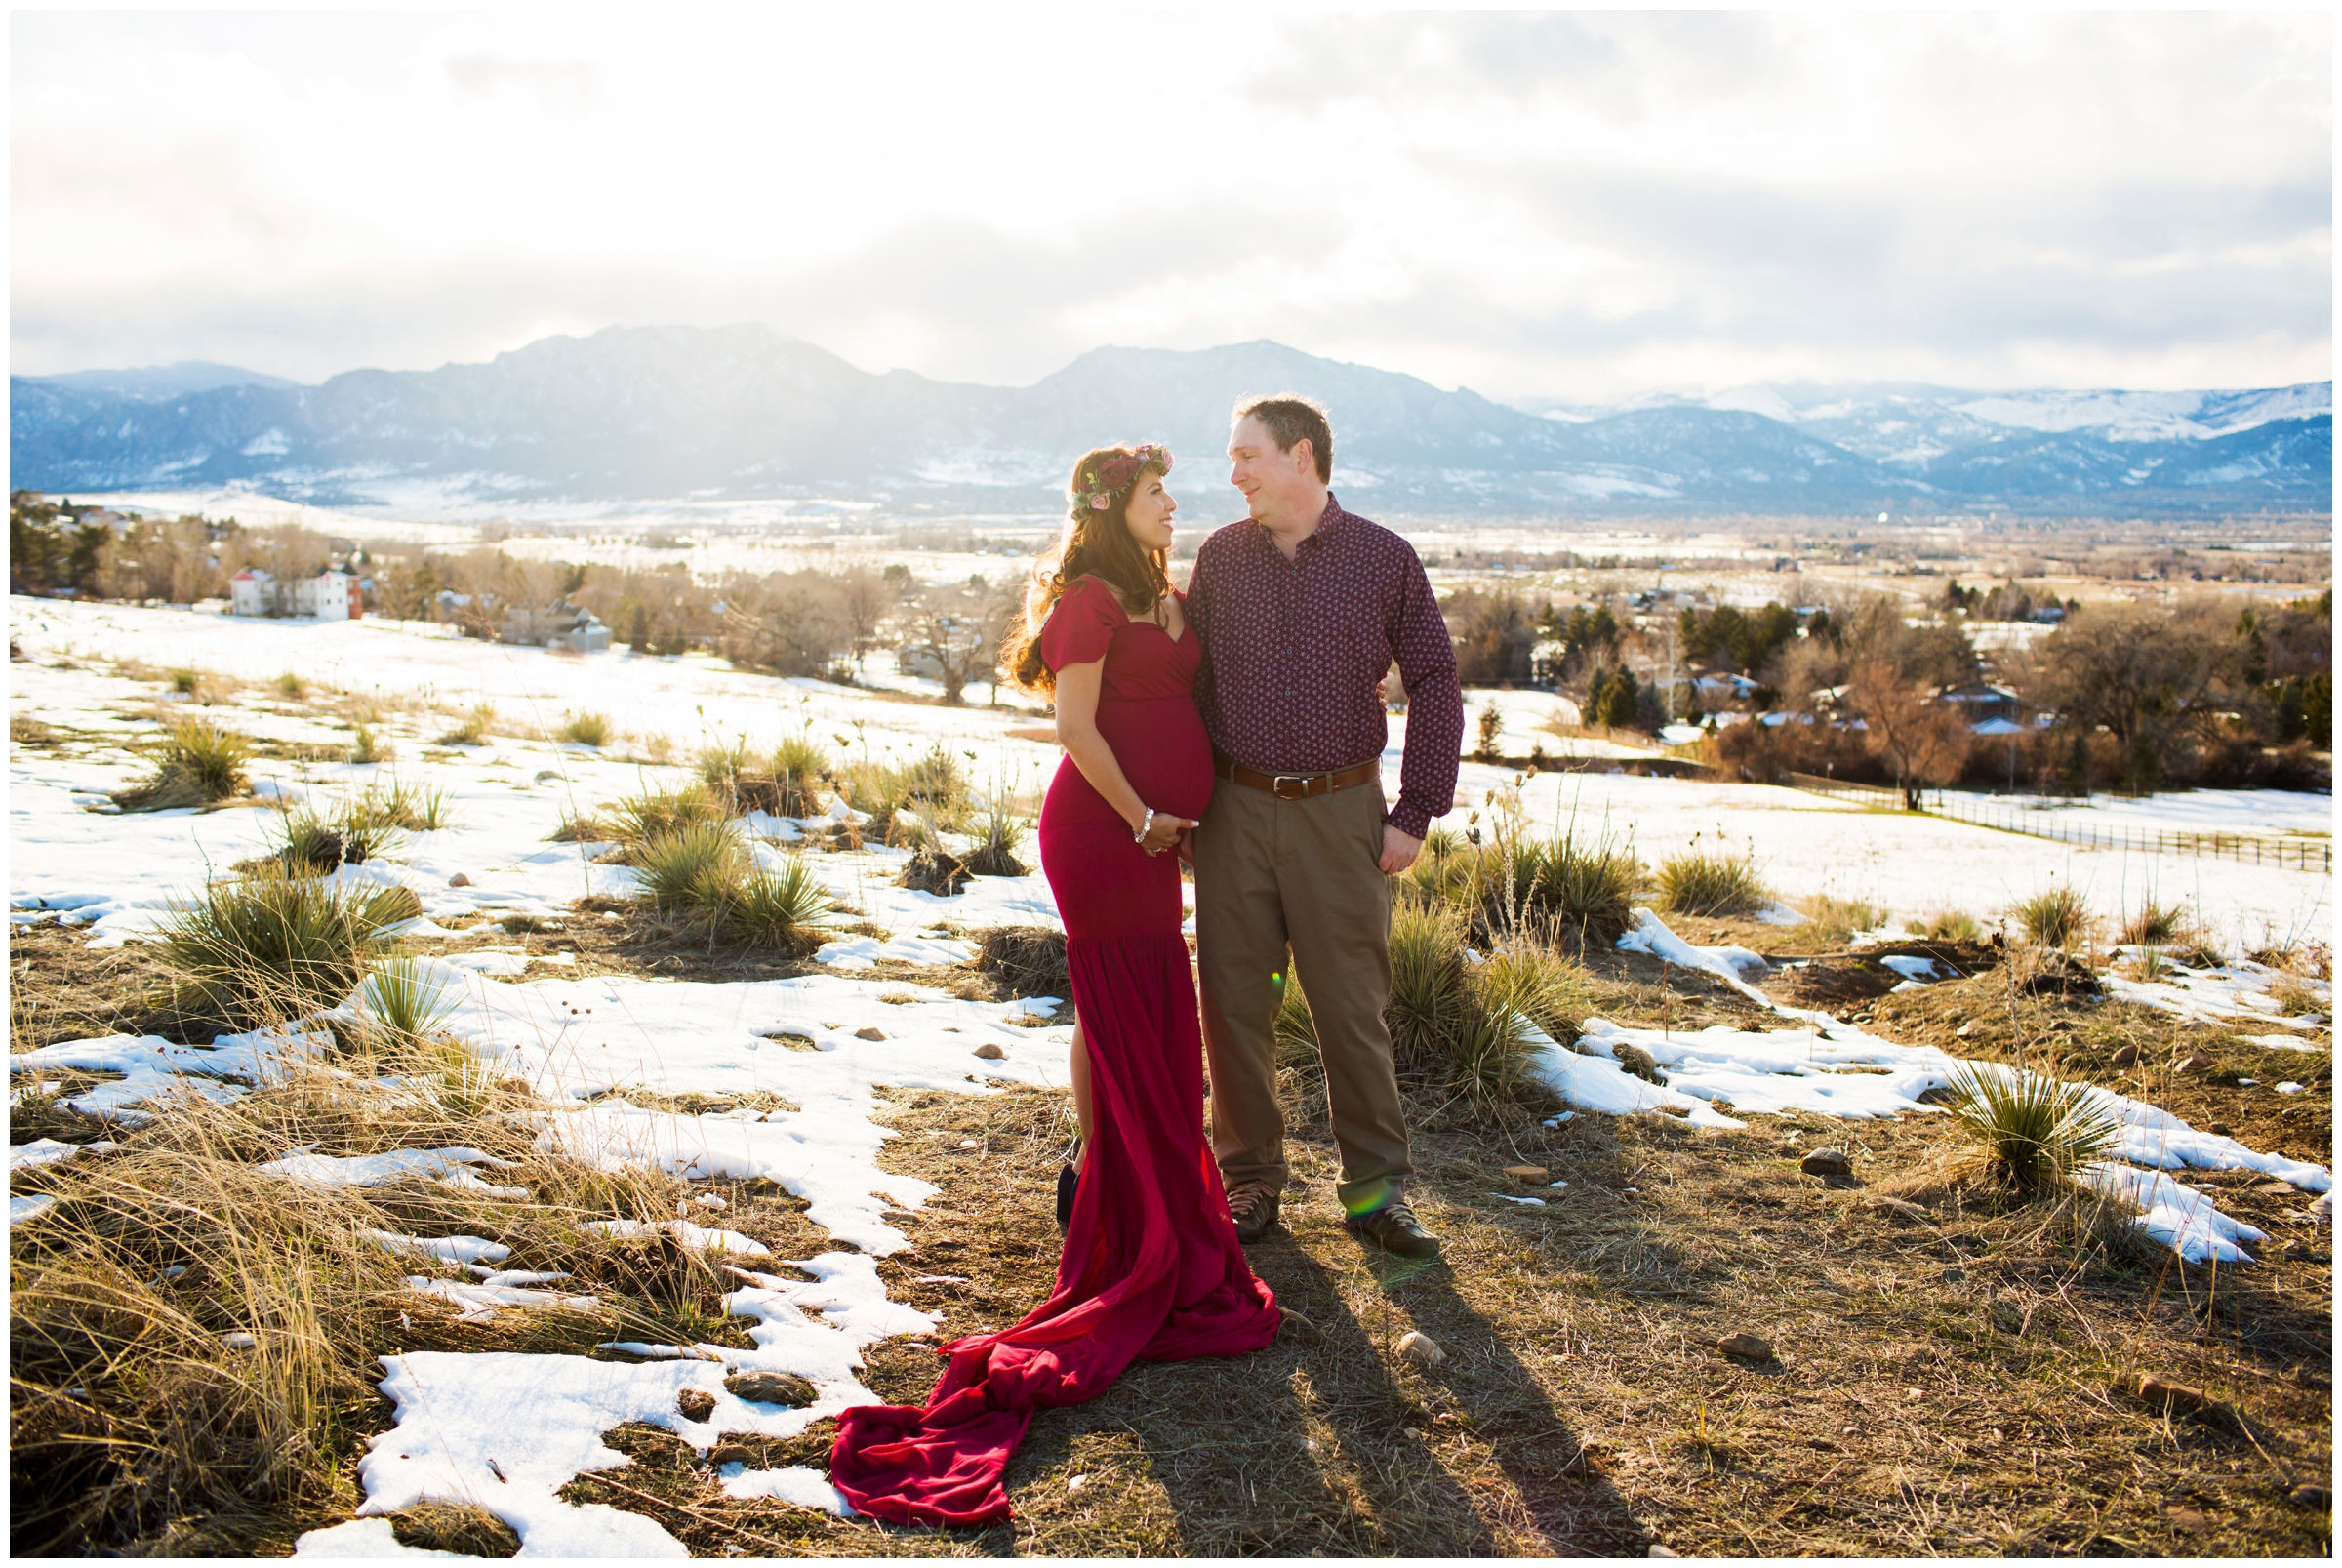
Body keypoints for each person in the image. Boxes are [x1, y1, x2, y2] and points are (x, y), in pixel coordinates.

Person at [829, 443, 1279, 1526]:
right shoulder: (1087, 600)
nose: (1176, 504)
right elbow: (1075, 727)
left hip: (1158, 834)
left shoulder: (1163, 595)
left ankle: (1120, 1180)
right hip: (1100, 831)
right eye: (1158, 493)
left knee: (1148, 1013)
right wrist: (1141, 816)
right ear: (1112, 509)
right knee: (1126, 1005)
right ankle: (1125, 1204)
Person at [1184, 393, 1464, 1258]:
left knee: (1351, 1009)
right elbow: (1189, 690)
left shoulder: (1384, 559)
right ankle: (1249, 1181)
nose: (1233, 475)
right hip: (1233, 810)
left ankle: (1376, 1194)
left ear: (1301, 456)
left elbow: (1437, 680)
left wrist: (1416, 810)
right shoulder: (1221, 560)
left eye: (1246, 457)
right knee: (1232, 1003)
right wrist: (1189, 806)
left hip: (1342, 814)